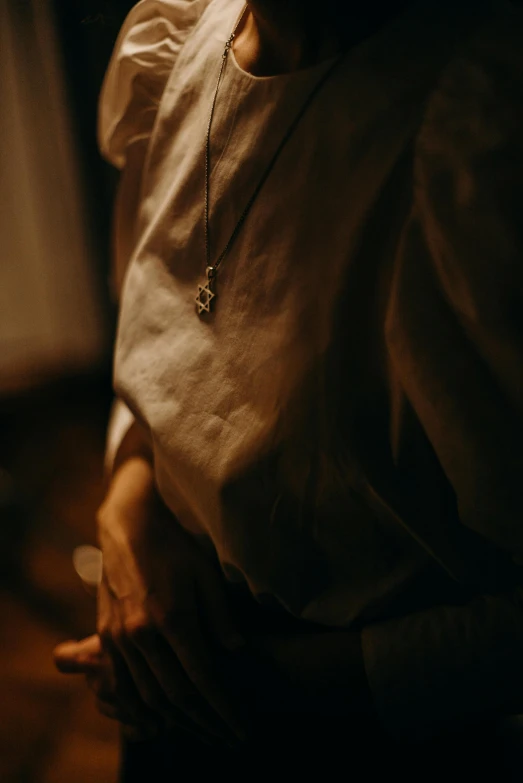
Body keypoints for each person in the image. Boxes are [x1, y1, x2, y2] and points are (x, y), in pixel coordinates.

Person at [54, 0, 523, 779]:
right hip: (165, 691)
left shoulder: (469, 132)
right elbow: (162, 353)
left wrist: (255, 688)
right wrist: (128, 513)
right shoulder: (175, 44)